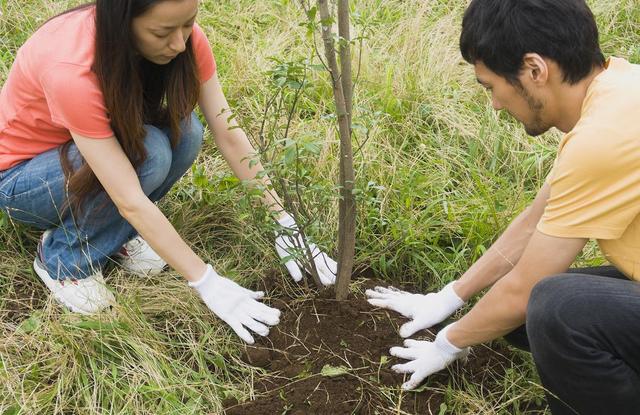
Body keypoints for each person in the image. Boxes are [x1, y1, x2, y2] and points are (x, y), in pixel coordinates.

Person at [0, 0, 337, 345]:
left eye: (188, 24)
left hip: (82, 157)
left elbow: (229, 132)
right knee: (150, 155)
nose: (179, 43)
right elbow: (129, 198)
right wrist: (206, 281)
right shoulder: (71, 69)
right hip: (21, 180)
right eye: (162, 32)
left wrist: (283, 222)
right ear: (124, 23)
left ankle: (108, 235)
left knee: (186, 133)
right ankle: (64, 259)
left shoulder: (185, 40)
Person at [366, 0, 640, 414]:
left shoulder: (604, 138)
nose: (494, 105)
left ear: (534, 70)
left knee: (554, 307)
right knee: (525, 316)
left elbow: (527, 284)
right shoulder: (617, 90)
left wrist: (447, 343)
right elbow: (534, 222)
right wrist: (448, 298)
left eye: (491, 86)